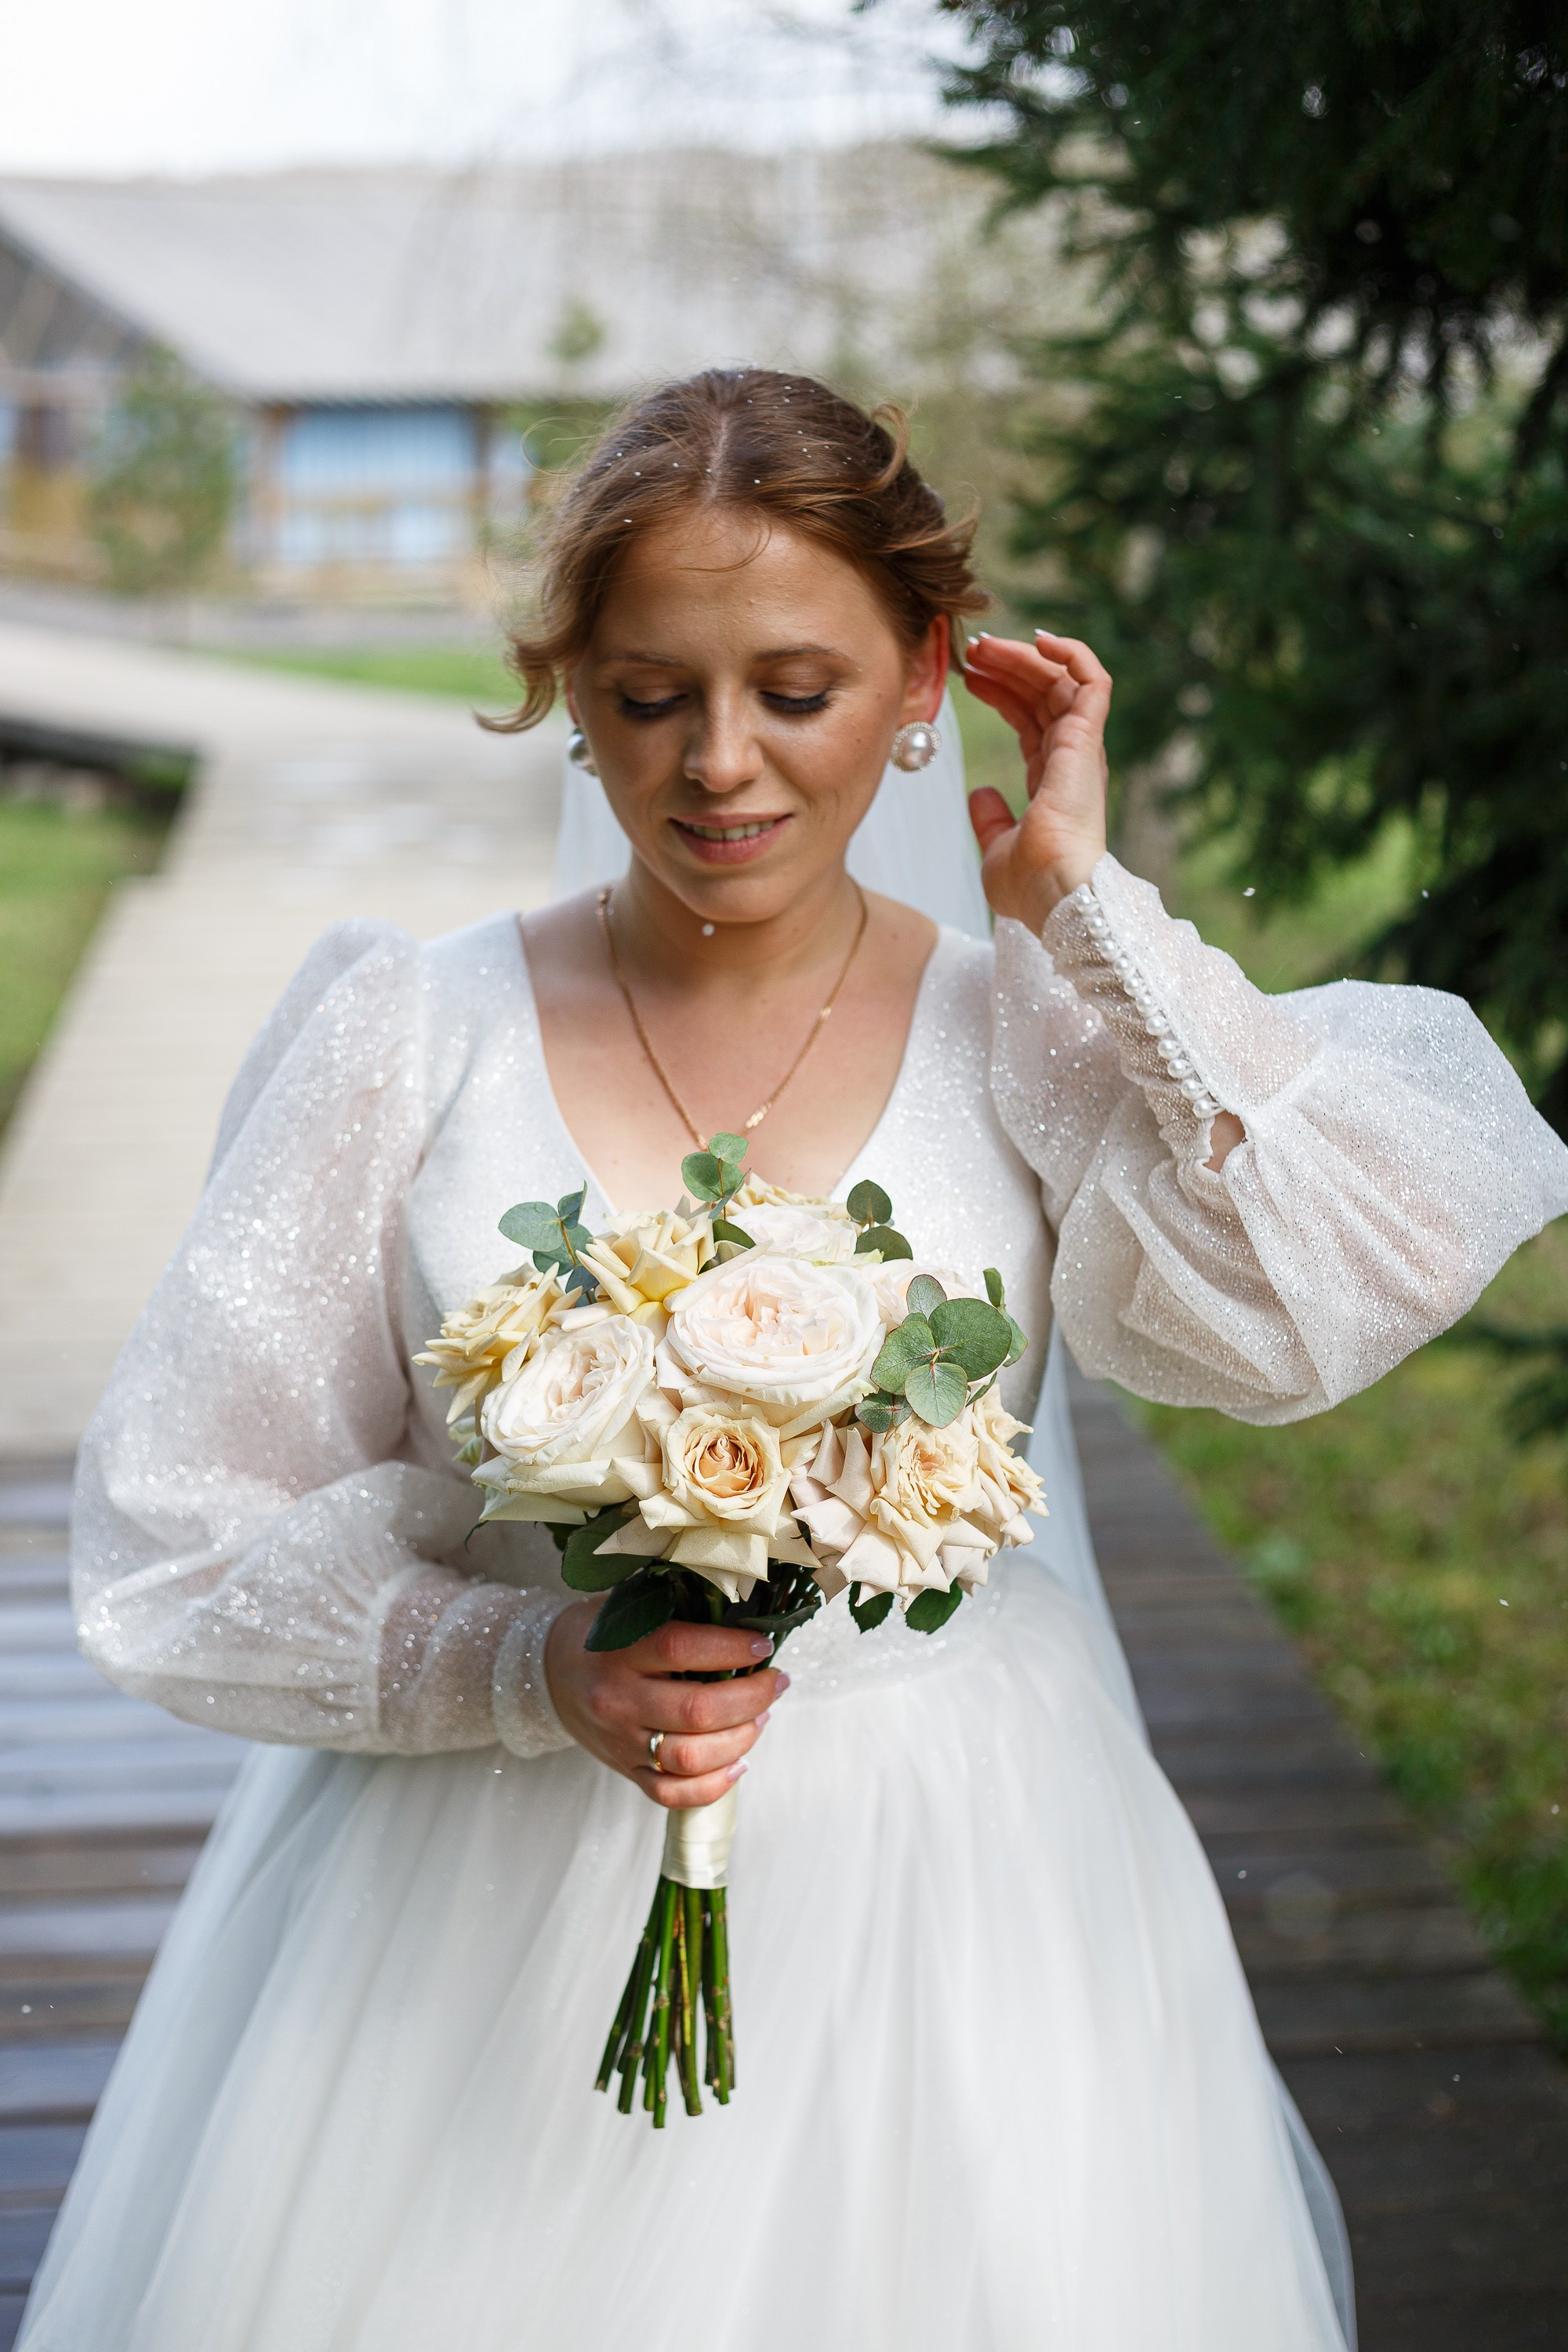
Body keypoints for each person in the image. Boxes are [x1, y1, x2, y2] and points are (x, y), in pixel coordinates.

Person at [23, 368, 1568, 2352]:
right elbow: (178, 1531)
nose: (720, 765)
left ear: (928, 677)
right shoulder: (406, 1037)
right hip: (474, 1900)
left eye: (798, 691)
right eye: (649, 693)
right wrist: (522, 1659)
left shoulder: (1029, 1029)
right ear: (568, 689)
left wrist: (1087, 919)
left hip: (963, 1874)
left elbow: (1339, 1279)